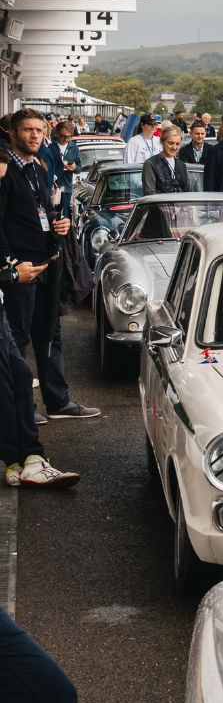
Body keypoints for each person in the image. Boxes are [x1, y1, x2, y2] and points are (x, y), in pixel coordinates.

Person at [0, 110, 100, 422]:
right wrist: (10, 267)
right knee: (17, 340)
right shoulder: (6, 173)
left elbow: (45, 209)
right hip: (22, 269)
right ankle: (21, 408)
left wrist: (60, 222)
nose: (34, 135)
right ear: (14, 133)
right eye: (27, 130)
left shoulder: (39, 168)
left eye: (39, 130)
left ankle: (58, 401)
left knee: (50, 334)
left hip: (46, 265)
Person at [0, 145, 82, 488]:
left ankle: (25, 458)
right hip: (15, 280)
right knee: (13, 378)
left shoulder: (35, 169)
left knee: (16, 378)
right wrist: (12, 273)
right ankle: (24, 458)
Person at [40, 120, 80, 218]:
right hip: (52, 187)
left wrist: (74, 167)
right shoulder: (50, 147)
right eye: (62, 135)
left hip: (66, 186)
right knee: (50, 211)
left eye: (68, 137)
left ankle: (61, 233)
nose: (65, 139)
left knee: (64, 213)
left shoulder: (74, 147)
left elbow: (79, 168)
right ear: (57, 133)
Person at [142, 126, 190, 194]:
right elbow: (149, 193)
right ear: (162, 141)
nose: (174, 147)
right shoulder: (151, 164)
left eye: (177, 144)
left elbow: (188, 192)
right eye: (170, 143)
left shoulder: (182, 165)